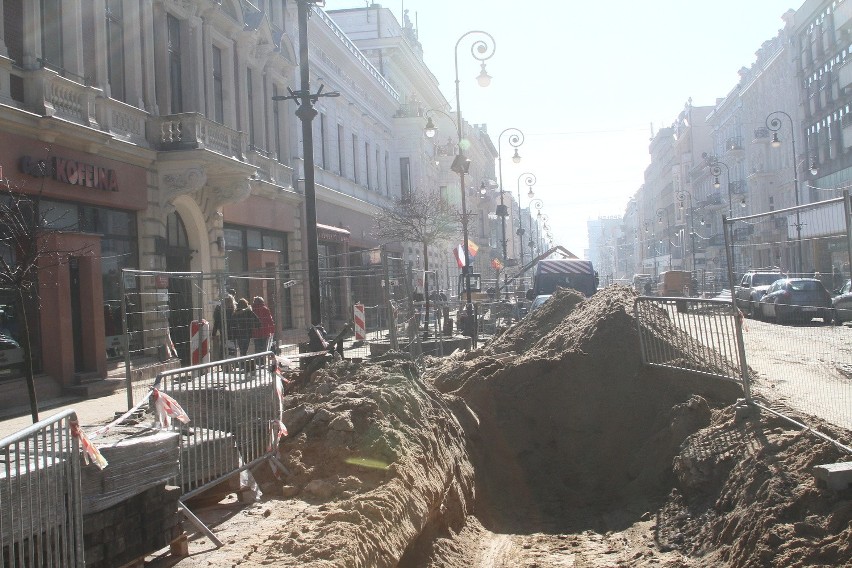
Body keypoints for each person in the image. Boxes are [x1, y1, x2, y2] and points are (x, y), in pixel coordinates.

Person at [211, 294, 236, 359]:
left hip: (223, 330)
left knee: (223, 347)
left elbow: (216, 322)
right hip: (232, 332)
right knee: (231, 347)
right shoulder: (233, 309)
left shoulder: (219, 309)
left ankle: (223, 363)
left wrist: (213, 333)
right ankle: (231, 363)